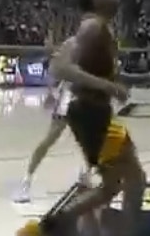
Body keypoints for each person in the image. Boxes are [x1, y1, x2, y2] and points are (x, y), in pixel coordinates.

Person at [15, 0, 145, 236]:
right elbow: (59, 67)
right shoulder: (93, 27)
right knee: (136, 179)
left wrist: (120, 83)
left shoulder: (99, 28)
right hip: (90, 112)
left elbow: (96, 73)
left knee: (111, 187)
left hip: (92, 112)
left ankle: (42, 230)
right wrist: (108, 87)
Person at [13, 16, 93, 203]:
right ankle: (26, 181)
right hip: (70, 95)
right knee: (50, 139)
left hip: (86, 96)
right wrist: (51, 90)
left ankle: (86, 176)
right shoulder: (72, 45)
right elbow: (55, 68)